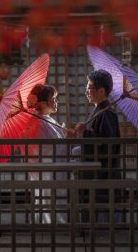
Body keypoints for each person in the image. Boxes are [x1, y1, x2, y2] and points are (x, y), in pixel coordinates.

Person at [74, 69, 121, 223]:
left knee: (101, 217)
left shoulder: (107, 114)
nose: (86, 91)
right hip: (96, 171)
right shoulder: (100, 111)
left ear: (101, 91)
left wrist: (84, 134)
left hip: (102, 174)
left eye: (89, 88)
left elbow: (106, 146)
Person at [25, 84, 69, 224]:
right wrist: (66, 140)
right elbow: (45, 149)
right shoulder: (38, 122)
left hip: (53, 169)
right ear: (42, 103)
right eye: (53, 99)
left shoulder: (46, 119)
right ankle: (50, 228)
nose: (56, 102)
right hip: (46, 170)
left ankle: (54, 227)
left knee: (54, 202)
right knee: (48, 202)